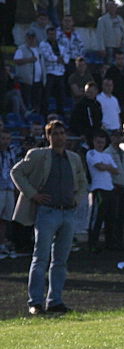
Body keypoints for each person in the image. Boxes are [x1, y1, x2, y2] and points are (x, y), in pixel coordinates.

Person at [10, 120, 88, 315]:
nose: (59, 137)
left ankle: (55, 300)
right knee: (41, 257)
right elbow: (16, 172)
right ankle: (35, 301)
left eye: (62, 133)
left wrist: (76, 200)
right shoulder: (38, 155)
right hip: (47, 211)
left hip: (67, 211)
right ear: (48, 136)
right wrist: (32, 194)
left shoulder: (74, 158)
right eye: (55, 134)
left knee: (61, 260)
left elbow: (82, 182)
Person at [86, 130, 119, 252]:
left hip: (109, 187)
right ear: (94, 142)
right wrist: (108, 167)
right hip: (98, 188)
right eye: (98, 142)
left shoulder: (107, 155)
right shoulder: (91, 153)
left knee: (111, 217)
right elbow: (99, 167)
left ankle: (110, 243)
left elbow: (116, 170)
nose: (100, 144)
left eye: (102, 142)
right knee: (97, 218)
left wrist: (107, 167)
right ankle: (93, 243)